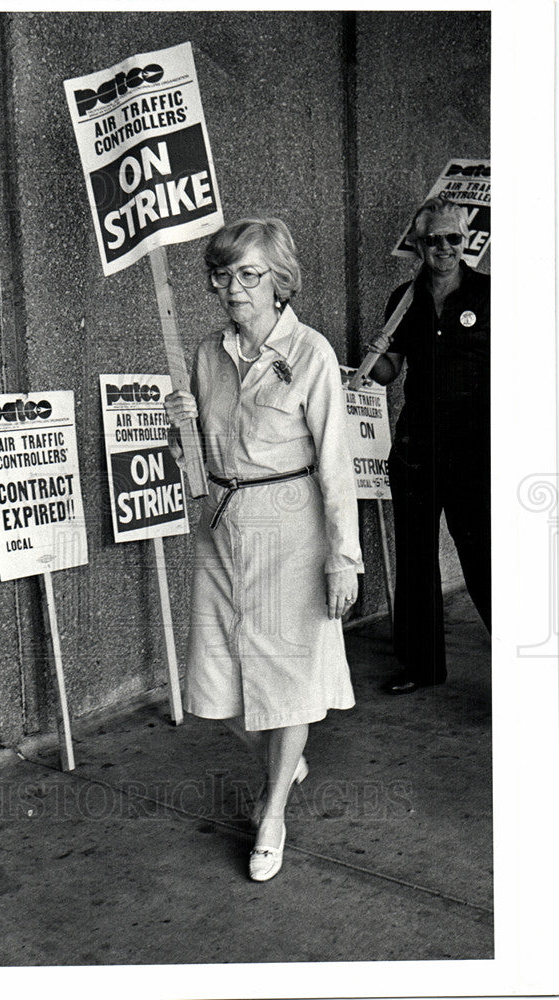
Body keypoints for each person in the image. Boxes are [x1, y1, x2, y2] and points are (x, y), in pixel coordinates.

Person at [165, 217, 363, 882]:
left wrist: (344, 557)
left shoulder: (309, 355)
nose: (232, 289)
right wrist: (181, 433)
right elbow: (197, 461)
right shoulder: (202, 355)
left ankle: (272, 811)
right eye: (222, 277)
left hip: (292, 532)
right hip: (221, 530)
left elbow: (337, 466)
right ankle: (288, 758)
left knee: (289, 685)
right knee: (213, 686)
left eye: (248, 275)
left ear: (279, 281)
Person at [368, 196, 490, 695]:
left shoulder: (490, 295)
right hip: (417, 446)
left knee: (483, 554)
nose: (443, 248)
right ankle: (421, 665)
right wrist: (374, 357)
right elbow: (390, 371)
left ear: (467, 242)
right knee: (416, 556)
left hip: (476, 447)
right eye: (432, 239)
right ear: (418, 245)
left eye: (453, 239)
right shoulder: (404, 298)